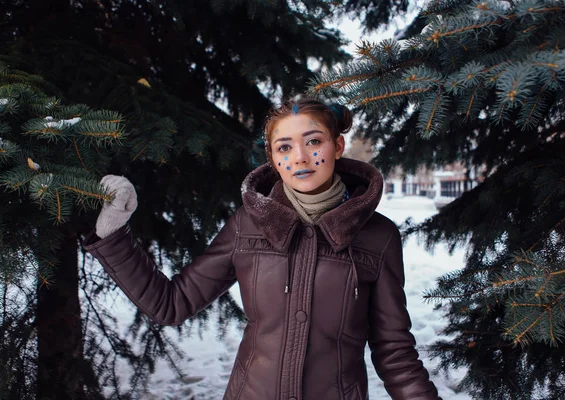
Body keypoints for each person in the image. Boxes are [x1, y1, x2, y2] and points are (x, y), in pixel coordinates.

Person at [84, 98, 440, 400]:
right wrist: (113, 233)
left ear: (337, 146)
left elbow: (394, 352)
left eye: (313, 141)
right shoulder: (247, 225)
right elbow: (171, 304)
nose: (300, 157)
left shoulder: (378, 236)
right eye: (284, 147)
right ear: (272, 158)